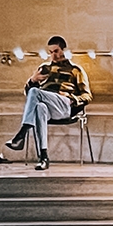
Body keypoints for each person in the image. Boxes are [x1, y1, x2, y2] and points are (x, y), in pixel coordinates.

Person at [7, 36, 91, 171]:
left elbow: (87, 96)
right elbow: (29, 95)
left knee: (35, 92)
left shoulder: (76, 70)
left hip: (64, 105)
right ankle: (44, 157)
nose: (53, 55)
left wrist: (73, 100)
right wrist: (32, 80)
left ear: (64, 50)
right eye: (50, 52)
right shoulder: (44, 68)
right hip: (48, 105)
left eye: (56, 51)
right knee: (39, 107)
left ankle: (21, 134)